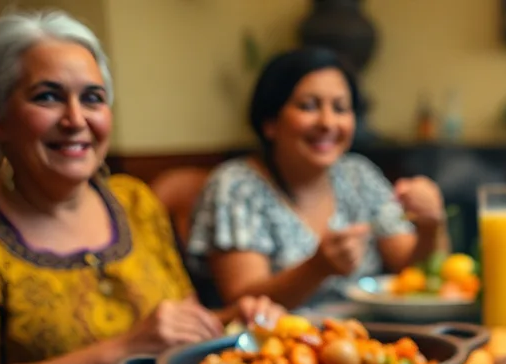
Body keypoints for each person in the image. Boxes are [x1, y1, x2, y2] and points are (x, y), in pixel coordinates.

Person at [0, 10, 277, 364]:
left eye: (92, 98)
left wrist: (234, 319)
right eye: (47, 96)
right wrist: (122, 349)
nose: (75, 119)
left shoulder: (135, 201)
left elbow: (180, 329)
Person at [187, 48, 448, 310]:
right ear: (270, 122)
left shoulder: (358, 175)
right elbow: (243, 304)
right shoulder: (235, 185)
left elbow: (410, 269)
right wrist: (316, 269)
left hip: (370, 331)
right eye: (308, 106)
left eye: (340, 108)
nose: (327, 122)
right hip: (284, 335)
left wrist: (430, 225)